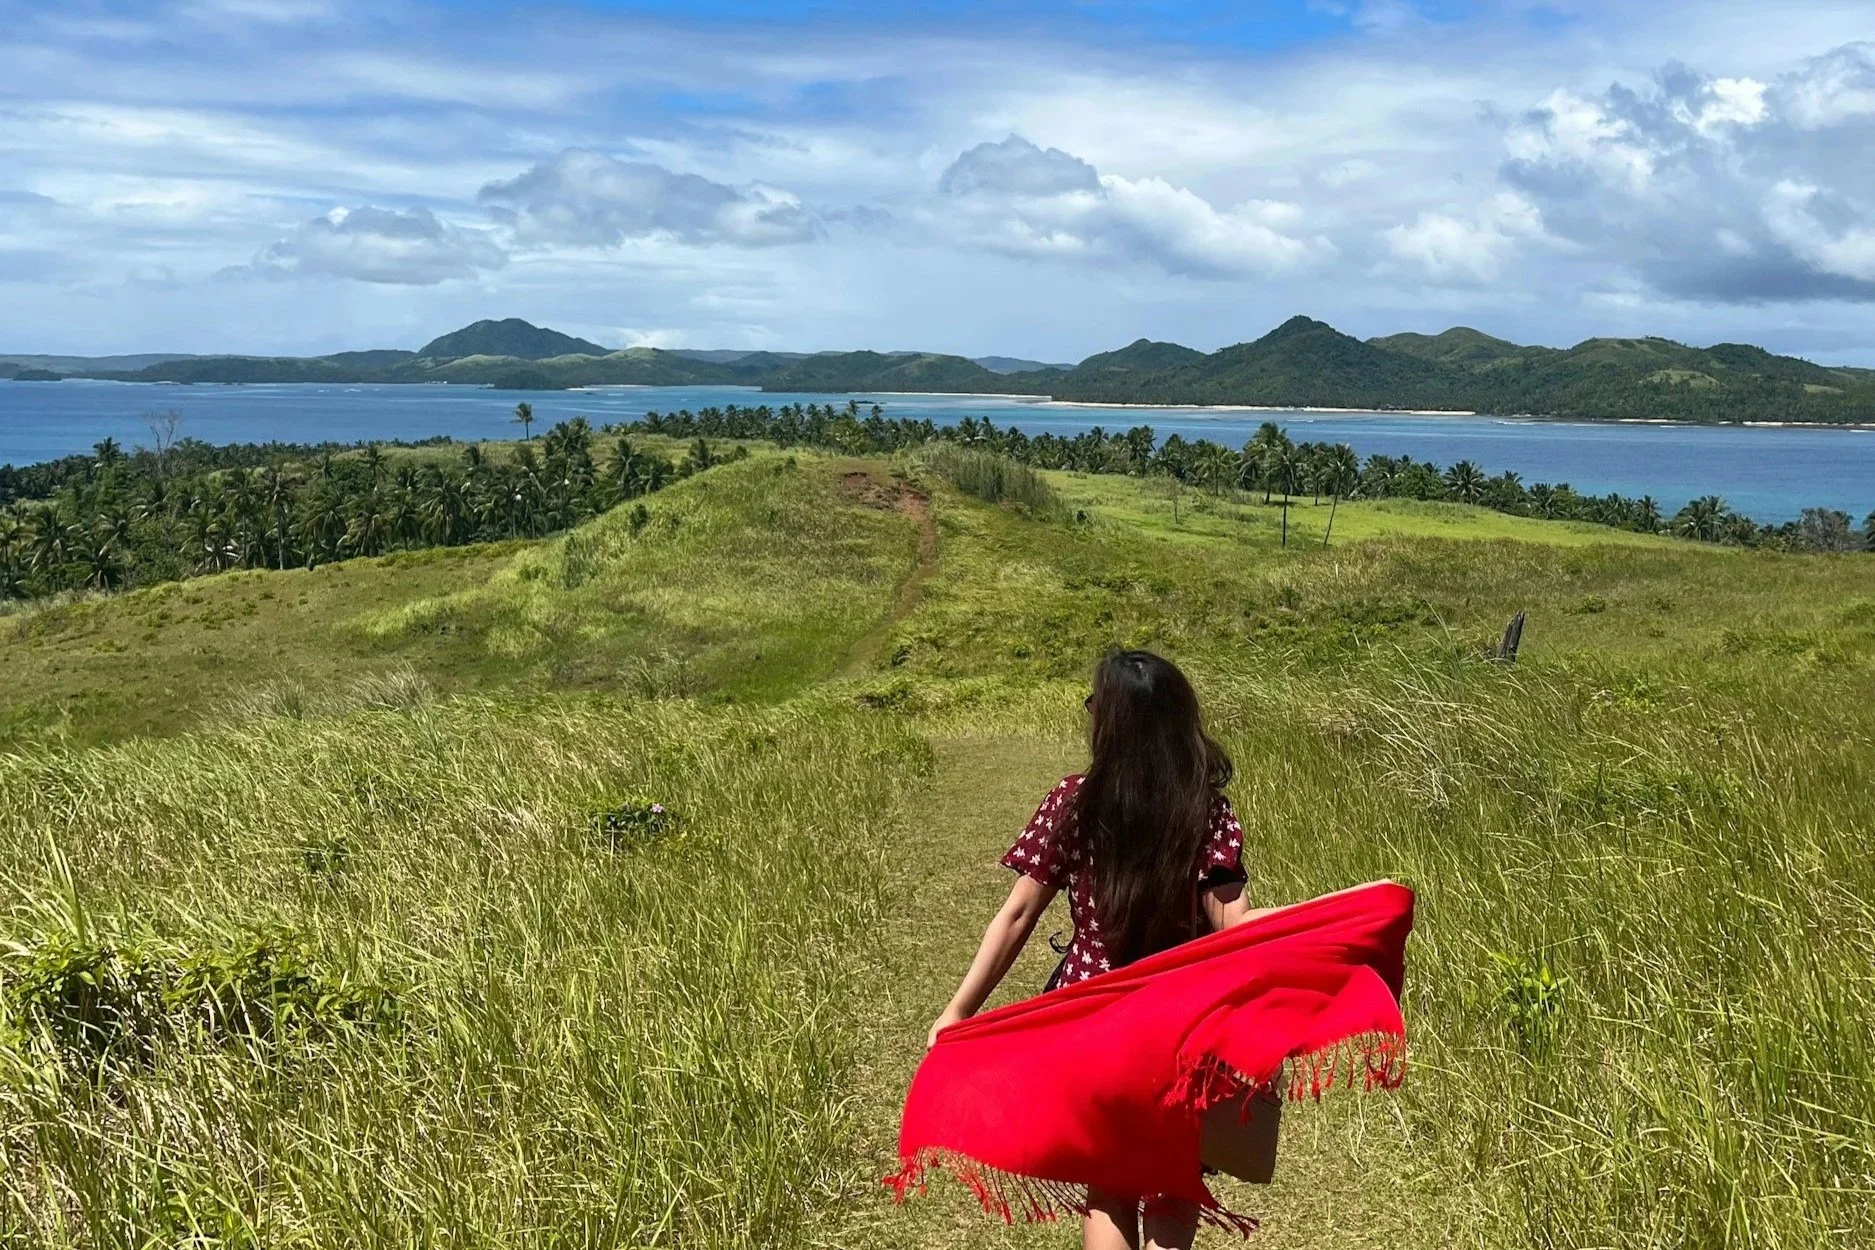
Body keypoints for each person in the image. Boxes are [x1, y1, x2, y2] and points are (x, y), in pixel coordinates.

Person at [927, 649, 1277, 1250]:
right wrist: (1315, 930)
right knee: (1172, 1183)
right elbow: (1235, 924)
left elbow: (1016, 916)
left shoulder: (1075, 802)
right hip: (1181, 1027)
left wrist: (959, 1009)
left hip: (1093, 1019)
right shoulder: (1205, 812)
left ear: (1109, 722)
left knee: (1110, 1187)